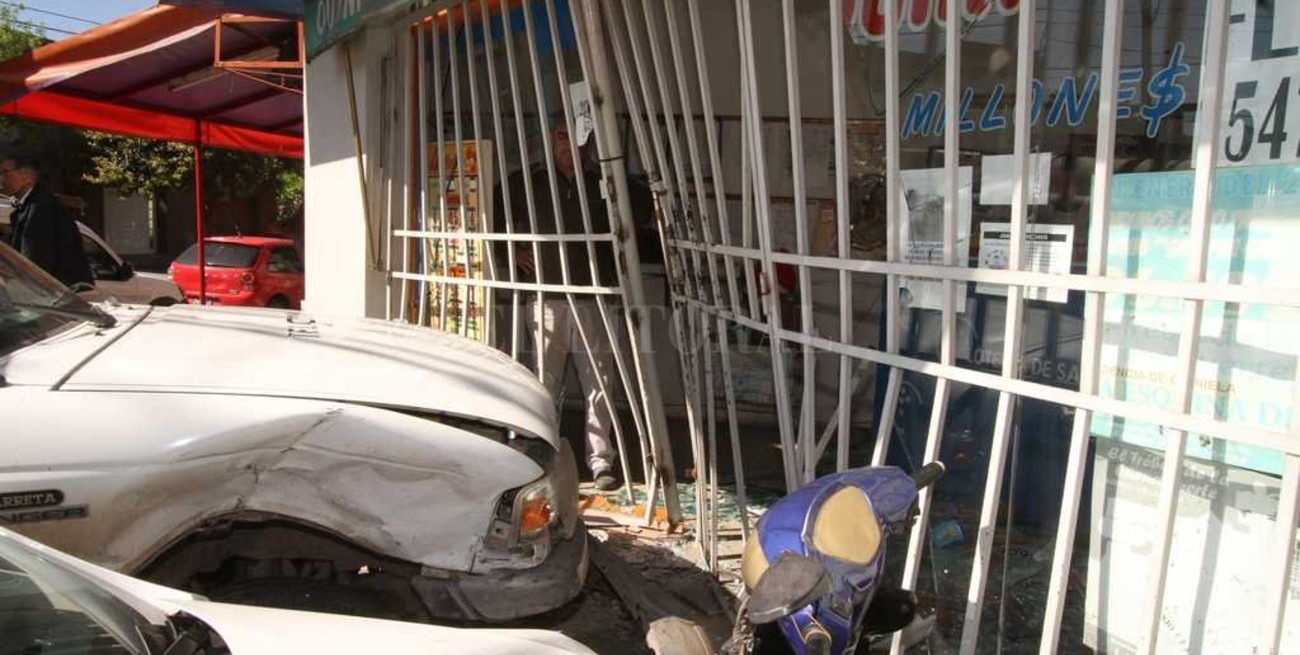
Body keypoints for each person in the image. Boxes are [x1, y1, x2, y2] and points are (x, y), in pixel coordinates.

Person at [495, 114, 656, 492]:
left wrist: (616, 171)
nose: (570, 145)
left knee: (600, 382)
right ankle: (542, 454)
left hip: (594, 295)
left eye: (579, 138)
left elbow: (642, 212)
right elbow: (492, 217)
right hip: (545, 294)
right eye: (562, 136)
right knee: (543, 382)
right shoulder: (527, 181)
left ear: (591, 143)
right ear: (551, 139)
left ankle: (601, 461)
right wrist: (509, 251)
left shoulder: (605, 181)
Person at [2, 156, 93, 289]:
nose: (2, 178)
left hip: (57, 292)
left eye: (6, 173)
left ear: (27, 177)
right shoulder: (28, 205)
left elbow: (34, 261)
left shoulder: (41, 207)